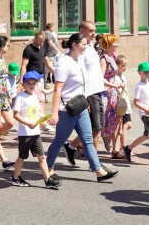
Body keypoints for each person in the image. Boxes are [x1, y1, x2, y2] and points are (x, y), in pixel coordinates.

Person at [47, 33, 119, 182]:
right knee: (59, 140)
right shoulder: (63, 63)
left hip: (80, 107)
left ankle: (98, 171)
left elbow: (82, 86)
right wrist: (54, 113)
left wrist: (85, 102)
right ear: (74, 45)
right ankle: (48, 168)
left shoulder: (78, 61)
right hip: (67, 110)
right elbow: (57, 90)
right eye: (84, 44)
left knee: (87, 139)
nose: (86, 47)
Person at [62, 21, 106, 166]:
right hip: (89, 93)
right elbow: (78, 74)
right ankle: (95, 162)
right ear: (82, 30)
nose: (94, 33)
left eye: (94, 30)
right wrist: (84, 98)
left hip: (97, 91)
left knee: (97, 128)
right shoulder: (80, 51)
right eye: (91, 30)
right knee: (94, 128)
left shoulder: (91, 47)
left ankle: (71, 146)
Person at [10, 70, 61, 188]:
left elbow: (37, 112)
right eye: (29, 83)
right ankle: (15, 178)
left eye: (34, 83)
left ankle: (47, 180)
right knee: (22, 156)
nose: (32, 86)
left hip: (35, 132)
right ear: (23, 85)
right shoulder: (20, 98)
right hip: (25, 133)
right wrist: (27, 123)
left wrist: (45, 121)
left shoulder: (34, 96)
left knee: (42, 156)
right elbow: (15, 114)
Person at [99, 34, 124, 154]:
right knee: (103, 120)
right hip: (106, 94)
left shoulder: (113, 57)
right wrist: (115, 86)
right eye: (115, 42)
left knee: (115, 120)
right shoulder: (103, 58)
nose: (117, 45)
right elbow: (101, 78)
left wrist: (118, 87)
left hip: (114, 93)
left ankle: (115, 148)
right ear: (108, 44)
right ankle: (79, 144)